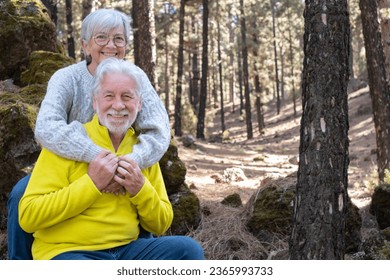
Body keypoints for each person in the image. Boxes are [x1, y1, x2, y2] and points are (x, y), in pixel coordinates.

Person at [7, 8, 170, 259]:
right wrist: (97, 157)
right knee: (21, 194)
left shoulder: (135, 78)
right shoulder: (66, 78)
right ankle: (22, 265)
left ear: (126, 46)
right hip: (65, 168)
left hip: (123, 160)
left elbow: (159, 131)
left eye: (118, 39)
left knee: (140, 191)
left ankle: (135, 255)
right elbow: (47, 126)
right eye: (101, 38)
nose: (111, 45)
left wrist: (127, 164)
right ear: (85, 44)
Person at [18, 57, 204, 260]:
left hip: (127, 251)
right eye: (109, 96)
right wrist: (92, 184)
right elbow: (28, 216)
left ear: (139, 103)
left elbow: (161, 223)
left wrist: (140, 188)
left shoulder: (141, 150)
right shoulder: (68, 142)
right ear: (95, 101)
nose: (118, 105)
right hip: (69, 252)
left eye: (127, 96)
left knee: (188, 251)